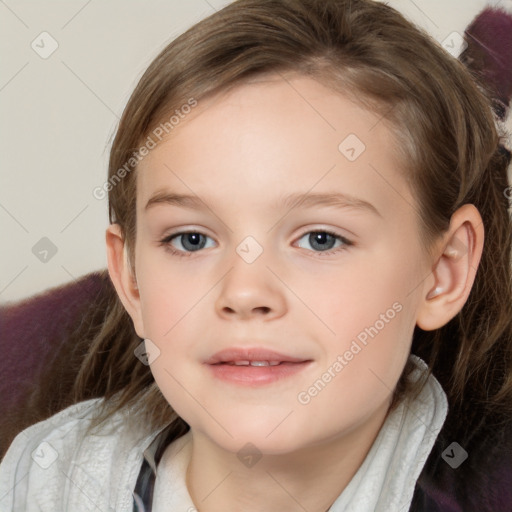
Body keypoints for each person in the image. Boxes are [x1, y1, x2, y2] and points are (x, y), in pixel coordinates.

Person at [1, 0, 511, 510]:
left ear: (443, 272)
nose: (245, 293)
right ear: (131, 277)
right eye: (191, 239)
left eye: (320, 239)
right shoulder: (40, 485)